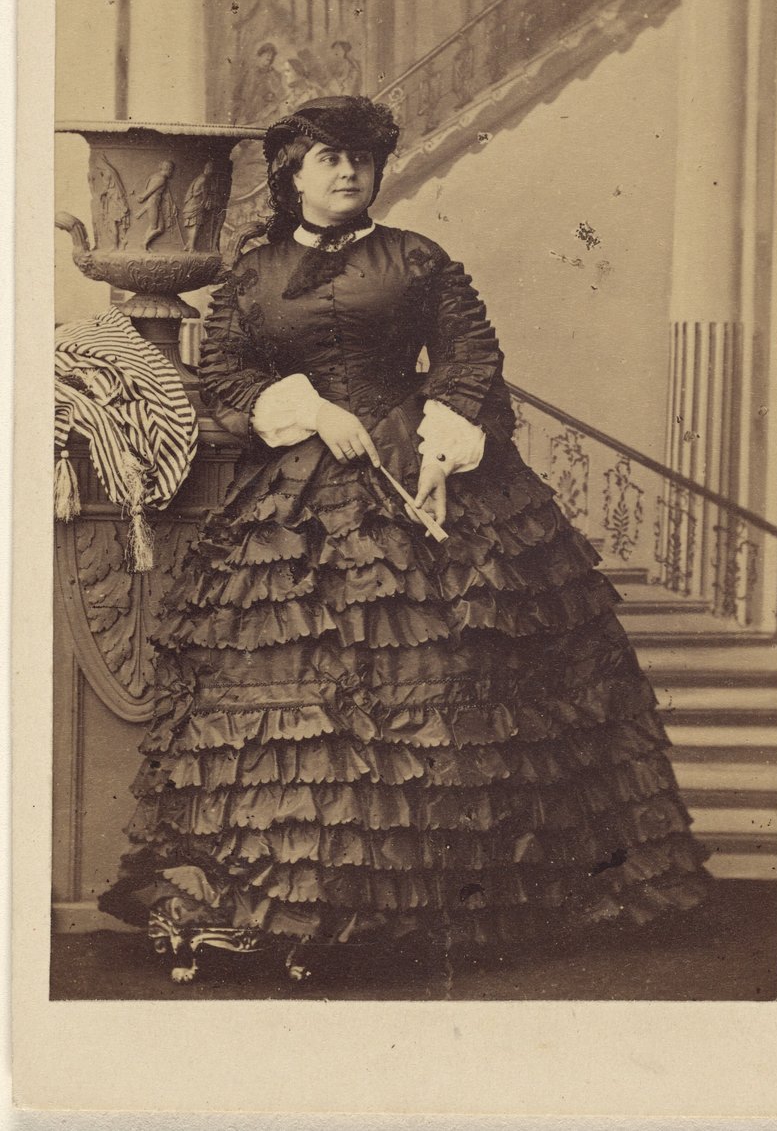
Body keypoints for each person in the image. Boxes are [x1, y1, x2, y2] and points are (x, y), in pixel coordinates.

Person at [100, 95, 710, 983]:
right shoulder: (253, 273)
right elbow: (226, 369)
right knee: (297, 687)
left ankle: (444, 910)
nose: (349, 172)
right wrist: (306, 408)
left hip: (427, 471)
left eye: (362, 158)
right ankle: (301, 904)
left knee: (455, 679)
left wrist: (445, 433)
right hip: (302, 485)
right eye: (329, 159)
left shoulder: (418, 258)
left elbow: (471, 356)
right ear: (293, 175)